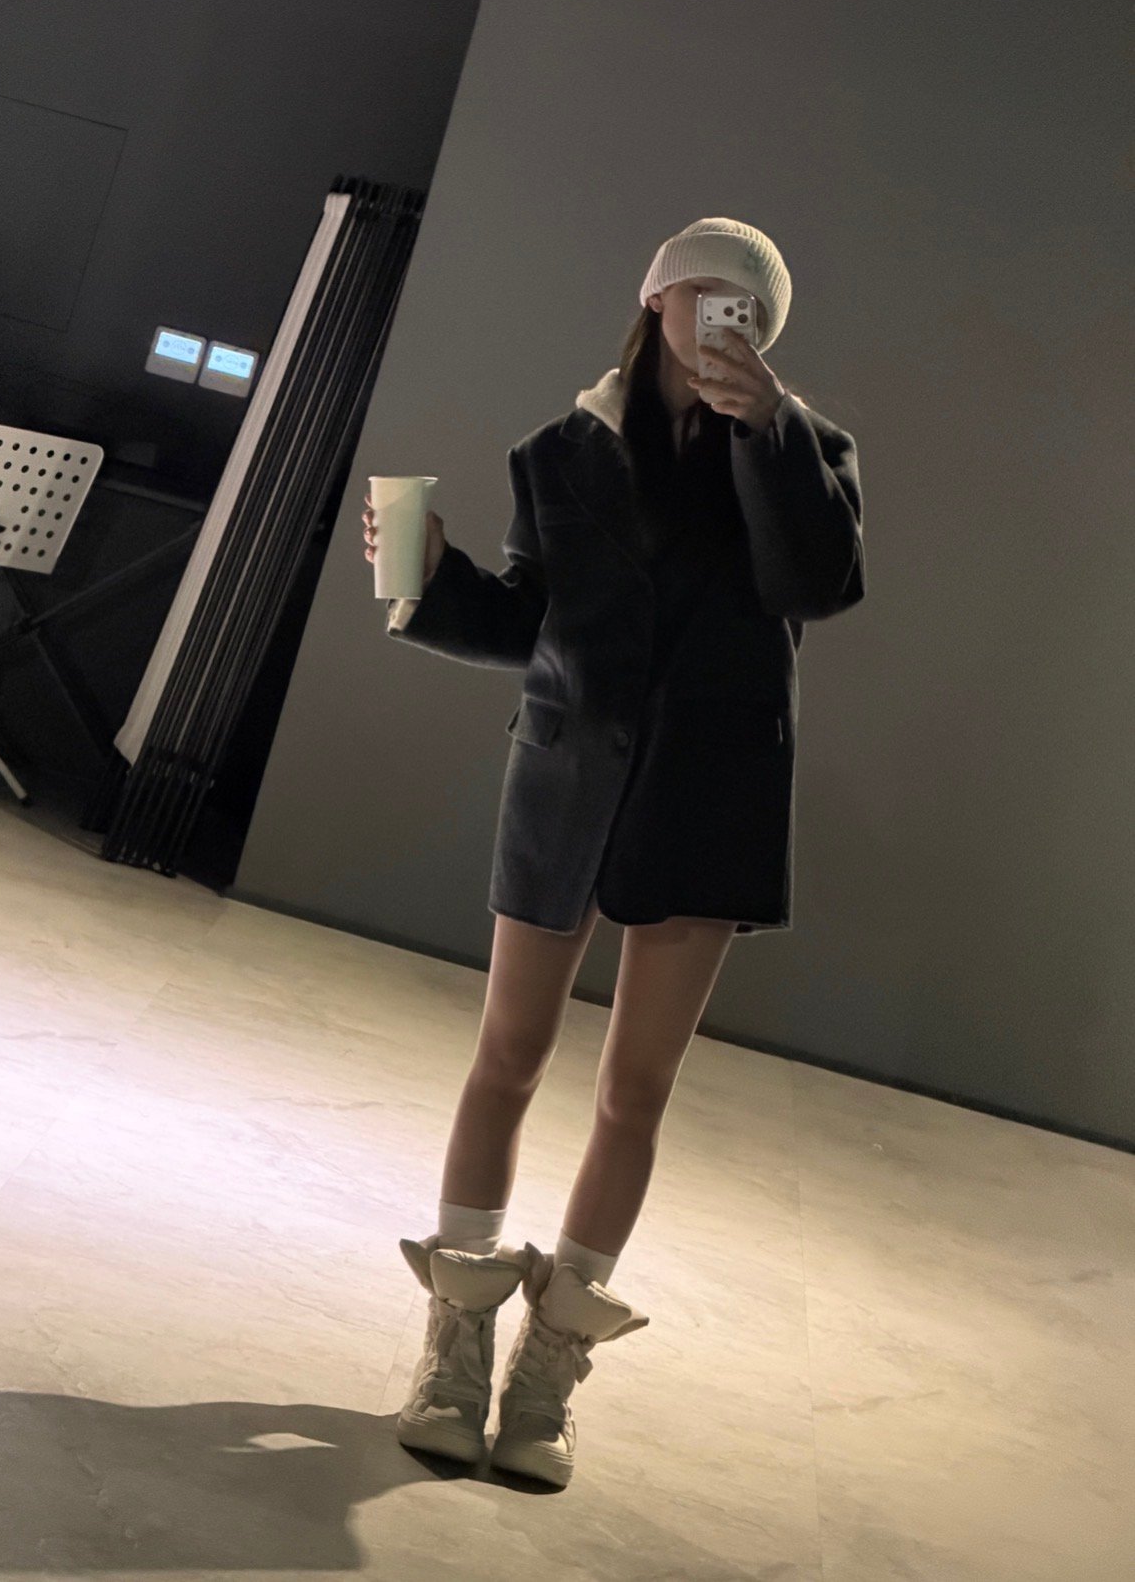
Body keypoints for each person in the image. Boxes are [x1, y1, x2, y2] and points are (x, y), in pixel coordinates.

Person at [362, 218, 865, 1488]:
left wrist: (769, 429)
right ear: (654, 299)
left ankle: (548, 1375)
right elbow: (537, 624)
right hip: (568, 775)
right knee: (507, 1059)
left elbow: (814, 585)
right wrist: (430, 578)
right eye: (706, 294)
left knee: (636, 1093)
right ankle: (456, 1352)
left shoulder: (806, 453)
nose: (723, 320)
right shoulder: (561, 453)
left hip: (711, 793)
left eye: (750, 309)